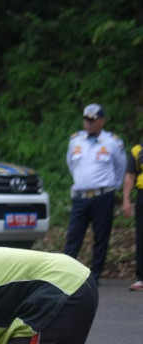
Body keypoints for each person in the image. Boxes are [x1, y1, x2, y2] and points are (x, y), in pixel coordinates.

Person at [64, 104, 126, 283]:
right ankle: (67, 273)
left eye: (92, 121)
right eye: (86, 120)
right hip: (81, 196)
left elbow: (120, 167)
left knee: (101, 236)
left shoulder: (113, 142)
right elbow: (72, 164)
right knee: (74, 235)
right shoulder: (76, 140)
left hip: (103, 196)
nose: (88, 124)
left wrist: (111, 187)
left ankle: (95, 275)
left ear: (101, 121)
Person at [122, 143, 143, 290]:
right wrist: (126, 200)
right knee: (141, 236)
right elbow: (130, 175)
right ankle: (141, 278)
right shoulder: (137, 150)